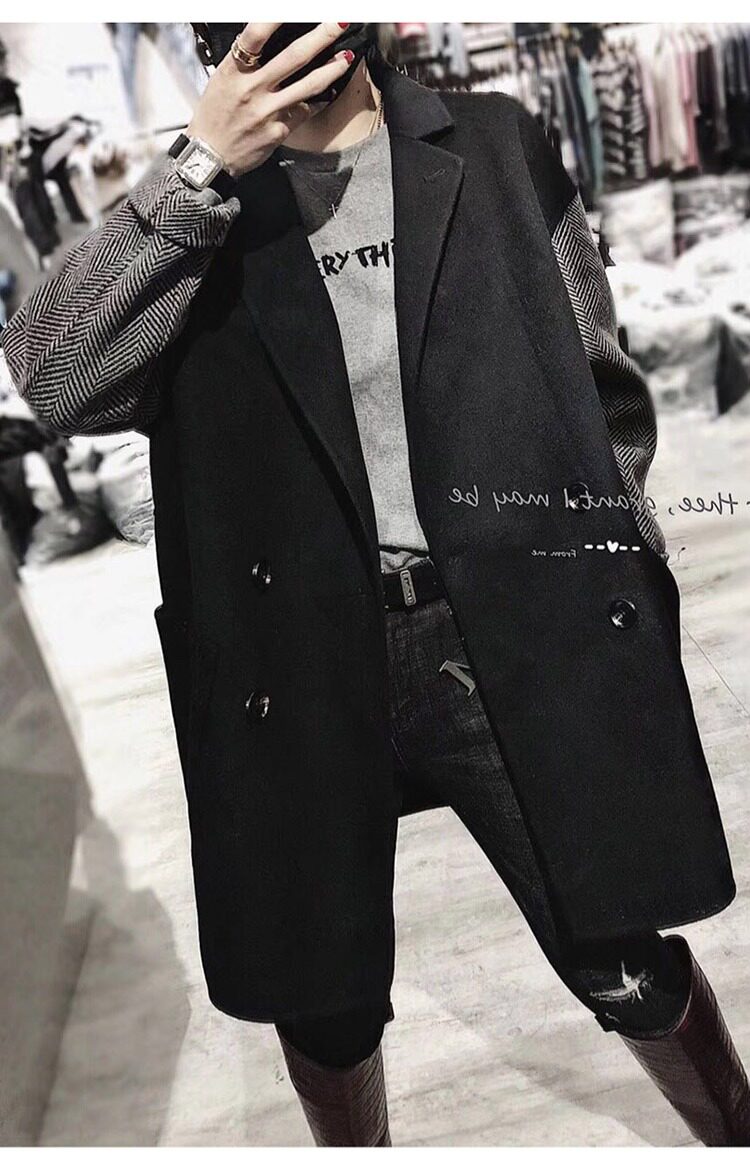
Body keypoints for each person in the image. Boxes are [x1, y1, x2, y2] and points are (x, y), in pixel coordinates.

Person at [2, 21, 748, 1148]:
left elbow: (600, 381)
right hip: (296, 655)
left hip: (497, 626)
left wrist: (614, 565)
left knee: (616, 949)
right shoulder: (193, 204)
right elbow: (54, 379)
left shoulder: (496, 144)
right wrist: (199, 169)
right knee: (326, 1001)